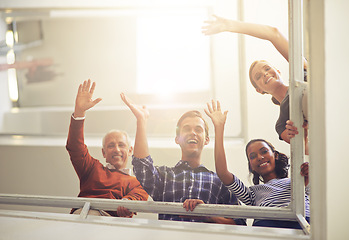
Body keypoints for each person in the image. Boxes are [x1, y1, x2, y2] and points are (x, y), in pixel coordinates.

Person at [120, 93, 246, 225]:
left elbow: (240, 223)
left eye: (198, 129)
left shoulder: (219, 182)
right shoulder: (164, 176)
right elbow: (142, 168)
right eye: (187, 129)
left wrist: (209, 216)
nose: (193, 132)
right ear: (177, 139)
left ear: (207, 140)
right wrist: (141, 120)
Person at [202, 15, 308, 144]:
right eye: (258, 77)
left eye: (267, 68)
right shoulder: (282, 124)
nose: (264, 73)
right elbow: (306, 148)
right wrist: (304, 132)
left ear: (278, 71)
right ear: (260, 90)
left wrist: (230, 25)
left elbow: (274, 34)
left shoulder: (301, 74)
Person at [204, 99, 309, 229]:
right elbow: (223, 173)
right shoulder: (253, 193)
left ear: (275, 155)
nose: (260, 157)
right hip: (267, 227)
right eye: (252, 156)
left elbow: (313, 191)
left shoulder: (297, 180)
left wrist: (307, 177)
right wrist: (219, 128)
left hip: (304, 224)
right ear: (251, 165)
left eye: (264, 151)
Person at [66, 79, 148, 217]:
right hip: (84, 216)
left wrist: (127, 203)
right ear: (103, 152)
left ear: (130, 150)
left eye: (121, 145)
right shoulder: (92, 169)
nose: (116, 149)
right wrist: (79, 112)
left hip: (112, 225)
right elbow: (75, 147)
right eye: (111, 145)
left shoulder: (138, 183)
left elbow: (136, 199)